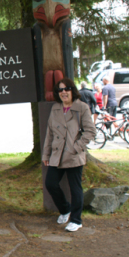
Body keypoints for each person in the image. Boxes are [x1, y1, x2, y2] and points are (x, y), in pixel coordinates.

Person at [42, 78, 96, 232]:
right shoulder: (56, 108)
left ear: (73, 90)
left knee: (75, 188)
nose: (63, 92)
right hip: (57, 154)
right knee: (51, 183)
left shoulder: (82, 108)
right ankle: (65, 209)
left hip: (73, 155)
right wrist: (46, 154)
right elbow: (50, 133)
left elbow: (90, 131)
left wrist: (76, 147)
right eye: (60, 90)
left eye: (66, 89)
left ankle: (76, 220)